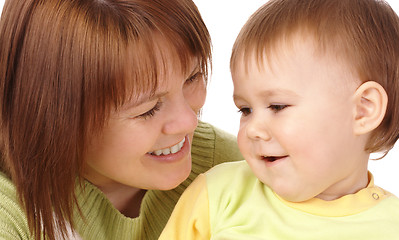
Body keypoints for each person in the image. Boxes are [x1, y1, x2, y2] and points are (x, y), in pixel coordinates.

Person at [159, 0, 399, 239]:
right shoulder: (218, 194)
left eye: (277, 106)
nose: (253, 129)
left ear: (364, 110)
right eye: (245, 110)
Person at [0, 0, 243, 239]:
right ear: (52, 117)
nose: (189, 122)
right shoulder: (10, 213)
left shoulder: (239, 169)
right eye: (147, 109)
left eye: (192, 77)